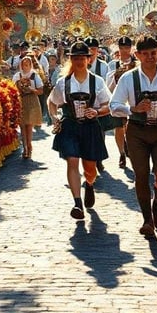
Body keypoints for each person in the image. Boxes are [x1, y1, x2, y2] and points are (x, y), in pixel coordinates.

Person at [110, 35, 157, 239]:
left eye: (153, 53)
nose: (150, 57)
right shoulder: (129, 78)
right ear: (138, 55)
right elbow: (113, 105)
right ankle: (147, 220)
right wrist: (131, 109)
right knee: (141, 175)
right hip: (137, 131)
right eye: (145, 54)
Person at [47, 40, 112, 220]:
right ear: (71, 60)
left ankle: (89, 184)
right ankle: (77, 203)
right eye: (75, 58)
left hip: (90, 128)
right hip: (70, 126)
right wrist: (54, 117)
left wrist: (97, 111)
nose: (79, 61)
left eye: (82, 57)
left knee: (90, 169)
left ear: (88, 59)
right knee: (72, 161)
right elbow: (52, 102)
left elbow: (109, 105)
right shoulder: (63, 83)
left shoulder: (97, 82)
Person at [107, 35, 137, 168]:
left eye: (127, 47)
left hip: (132, 100)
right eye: (122, 47)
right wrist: (115, 77)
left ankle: (130, 148)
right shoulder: (113, 64)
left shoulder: (136, 63)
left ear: (131, 48)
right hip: (119, 100)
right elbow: (108, 88)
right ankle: (121, 153)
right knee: (118, 128)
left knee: (130, 128)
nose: (124, 50)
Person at [12, 54, 44, 159]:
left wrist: (32, 89)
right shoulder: (17, 76)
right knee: (22, 125)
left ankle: (29, 145)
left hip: (32, 100)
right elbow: (12, 89)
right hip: (21, 100)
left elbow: (40, 91)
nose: (25, 66)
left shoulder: (35, 75)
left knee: (29, 125)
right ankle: (25, 146)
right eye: (23, 64)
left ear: (30, 65)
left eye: (27, 64)